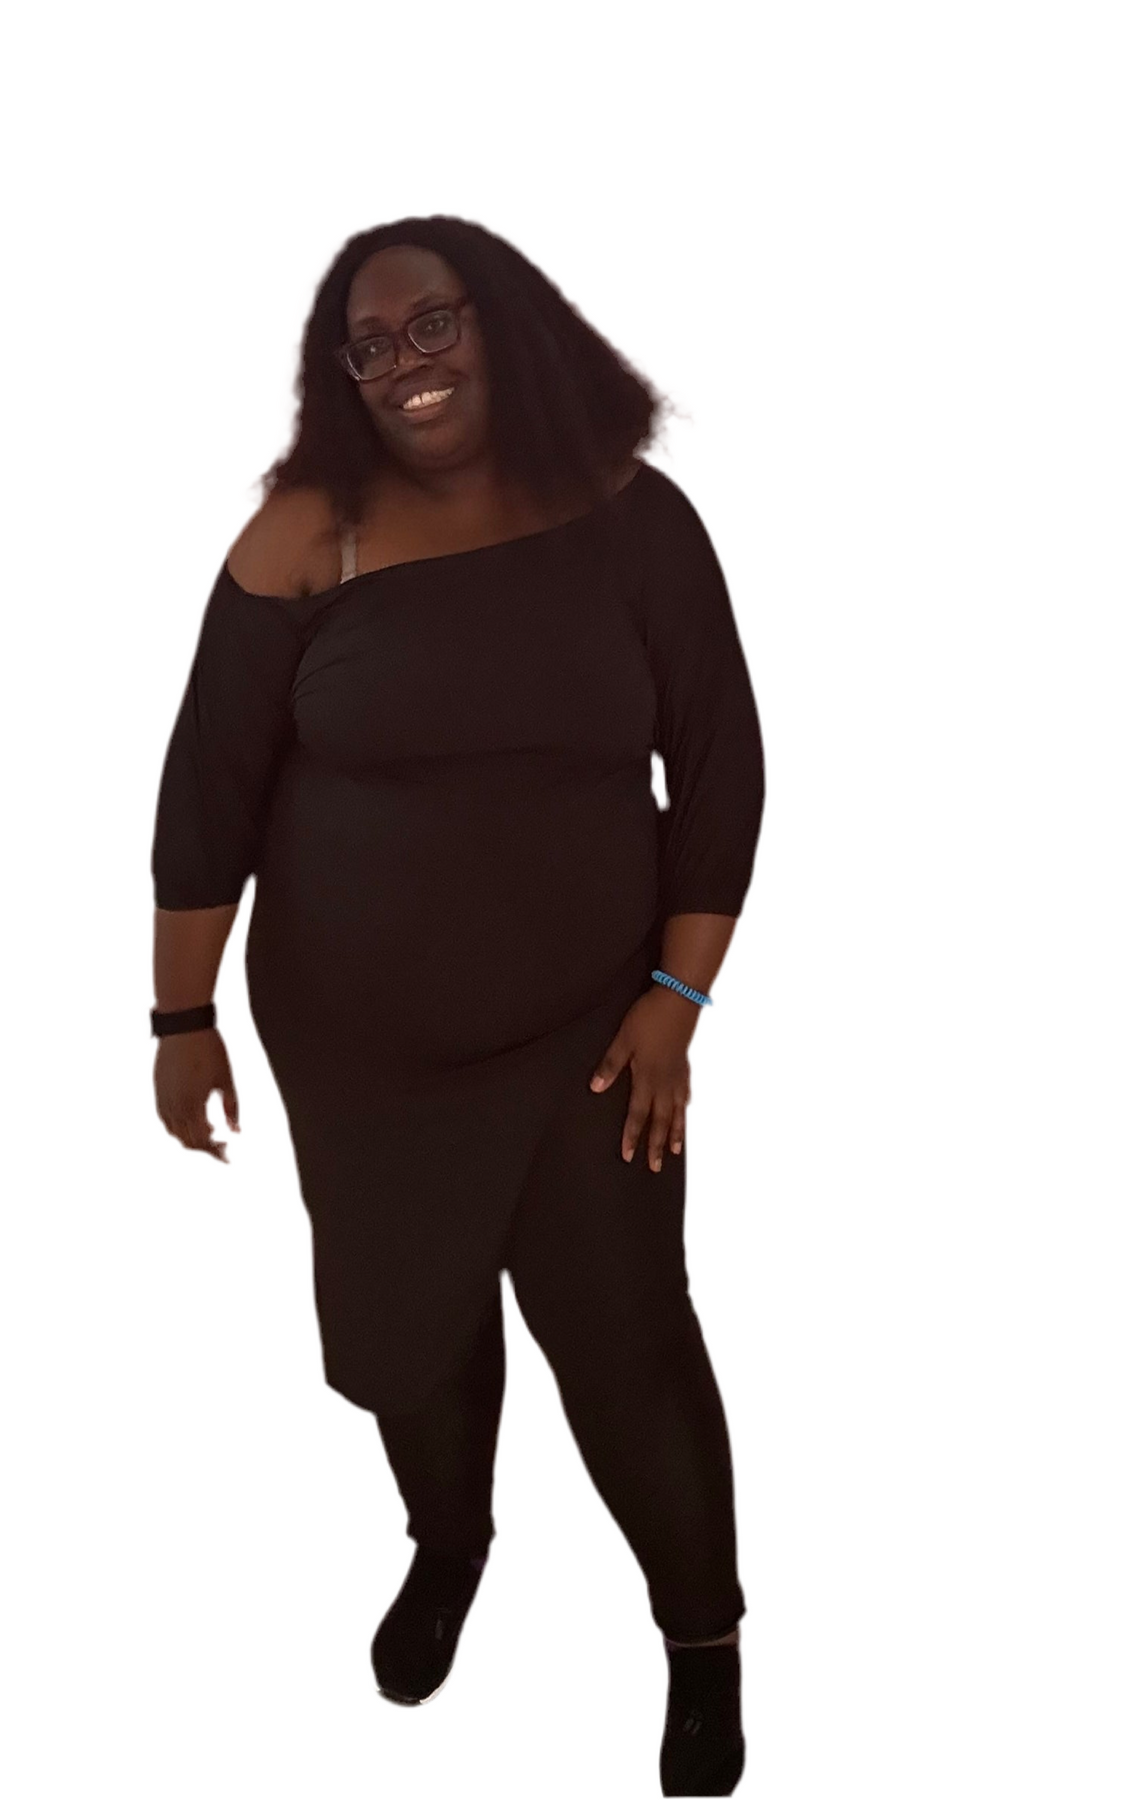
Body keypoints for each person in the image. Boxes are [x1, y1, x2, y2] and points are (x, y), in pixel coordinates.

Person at [150, 213, 765, 1797]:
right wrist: (179, 1020)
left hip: (591, 1040)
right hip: (361, 1058)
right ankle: (451, 1543)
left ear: (504, 322)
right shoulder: (307, 534)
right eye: (371, 346)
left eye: (435, 325)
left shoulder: (631, 517)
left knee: (629, 1347)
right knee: (408, 1335)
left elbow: (721, 769)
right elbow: (208, 794)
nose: (407, 365)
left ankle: (703, 1641)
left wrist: (676, 999)